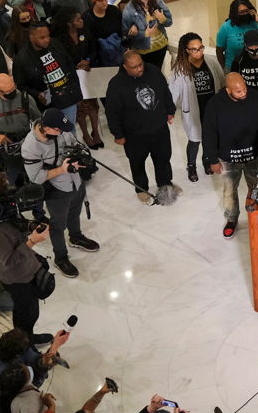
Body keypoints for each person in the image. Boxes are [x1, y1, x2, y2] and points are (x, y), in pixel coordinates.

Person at [21, 108, 99, 277]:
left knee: (75, 212)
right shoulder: (30, 146)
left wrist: (82, 154)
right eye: (58, 130)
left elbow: (74, 143)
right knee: (57, 225)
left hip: (76, 182)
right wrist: (63, 170)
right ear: (45, 128)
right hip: (56, 190)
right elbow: (36, 177)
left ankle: (76, 237)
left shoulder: (62, 132)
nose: (62, 132)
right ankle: (60, 257)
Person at [201, 73, 258, 239]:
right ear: (228, 90)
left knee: (257, 188)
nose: (243, 93)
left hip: (255, 156)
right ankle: (231, 219)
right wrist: (212, 160)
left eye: (244, 89)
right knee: (229, 190)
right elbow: (208, 134)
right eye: (238, 92)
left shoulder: (257, 98)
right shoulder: (215, 104)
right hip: (228, 159)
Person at [105, 51, 177, 202]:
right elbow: (112, 112)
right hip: (134, 135)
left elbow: (165, 91)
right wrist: (118, 134)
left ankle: (165, 184)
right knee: (137, 162)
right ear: (125, 66)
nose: (139, 69)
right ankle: (141, 188)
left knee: (163, 158)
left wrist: (170, 110)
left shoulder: (153, 71)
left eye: (140, 64)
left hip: (159, 128)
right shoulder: (116, 84)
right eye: (134, 67)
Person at [169, 32, 224, 183]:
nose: (199, 51)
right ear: (186, 50)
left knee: (209, 138)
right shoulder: (179, 69)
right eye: (194, 49)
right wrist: (169, 111)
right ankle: (191, 165)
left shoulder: (211, 62)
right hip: (193, 110)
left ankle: (207, 160)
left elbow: (221, 81)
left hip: (211, 108)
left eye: (201, 48)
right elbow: (172, 92)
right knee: (194, 140)